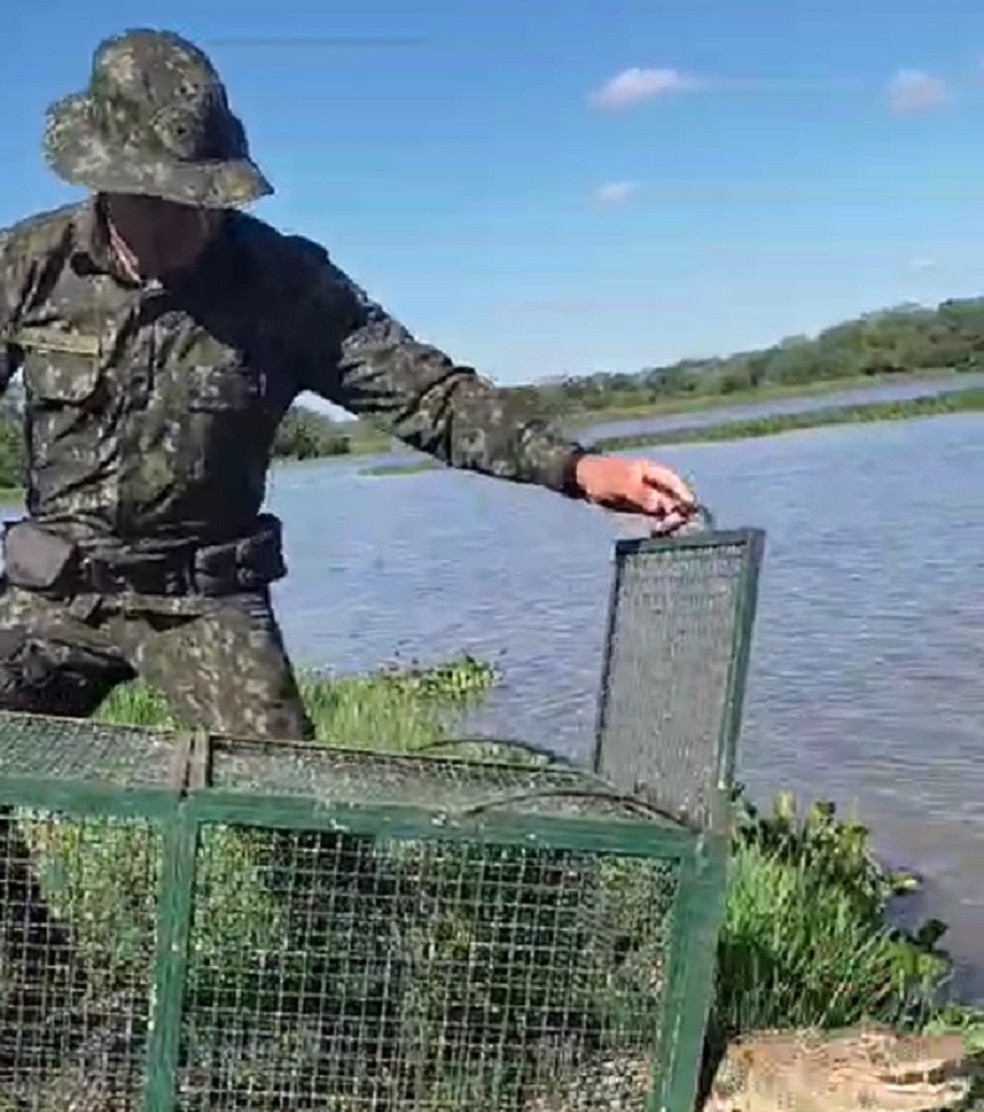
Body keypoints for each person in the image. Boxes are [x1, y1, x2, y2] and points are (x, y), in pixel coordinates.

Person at [0, 27, 697, 742]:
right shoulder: (28, 266)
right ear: (106, 177)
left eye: (203, 197)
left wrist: (577, 467)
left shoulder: (286, 284)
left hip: (205, 599)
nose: (189, 220)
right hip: (56, 585)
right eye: (162, 199)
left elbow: (430, 394)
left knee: (303, 829)